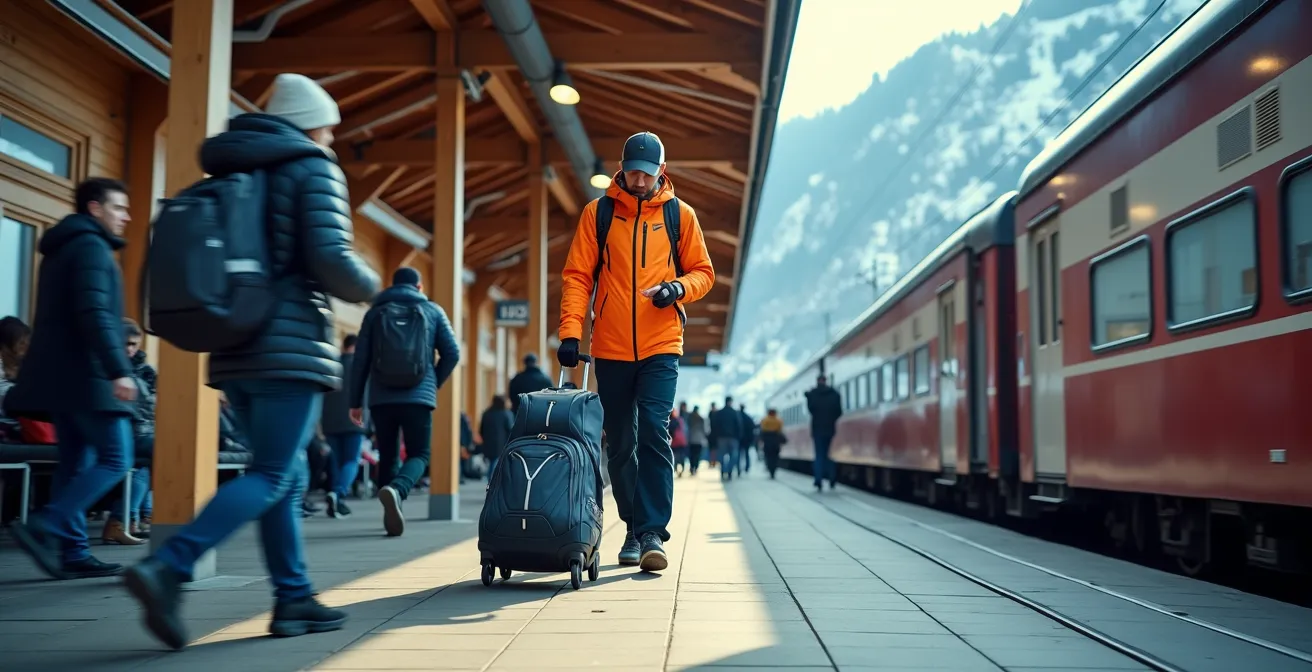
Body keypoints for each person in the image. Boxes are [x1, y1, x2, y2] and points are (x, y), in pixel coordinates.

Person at [123, 72, 381, 649]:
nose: (333, 137)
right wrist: (372, 286)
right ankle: (170, 566)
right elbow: (331, 258)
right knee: (270, 473)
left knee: (282, 477)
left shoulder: (234, 167)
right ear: (311, 122)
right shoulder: (311, 166)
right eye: (329, 126)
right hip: (287, 346)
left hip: (234, 344)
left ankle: (293, 599)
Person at [556, 131, 715, 572]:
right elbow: (577, 276)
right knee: (621, 442)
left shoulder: (681, 216)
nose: (639, 182)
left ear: (662, 171)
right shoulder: (599, 213)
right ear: (620, 169)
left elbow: (704, 272)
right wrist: (570, 332)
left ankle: (651, 533)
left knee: (654, 432)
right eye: (632, 173)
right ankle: (630, 525)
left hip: (662, 342)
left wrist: (677, 288)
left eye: (647, 174)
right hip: (610, 345)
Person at [5, 177, 137, 581]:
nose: (126, 216)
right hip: (88, 376)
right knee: (118, 458)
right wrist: (119, 369)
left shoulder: (62, 250)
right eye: (118, 207)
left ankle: (73, 552)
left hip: (61, 377)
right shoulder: (91, 248)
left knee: (76, 463)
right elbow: (95, 314)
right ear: (94, 208)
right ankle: (47, 524)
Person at [349, 266, 460, 537]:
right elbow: (452, 352)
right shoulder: (433, 311)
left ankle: (390, 508)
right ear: (419, 287)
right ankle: (397, 491)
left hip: (381, 398)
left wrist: (355, 401)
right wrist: (433, 382)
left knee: (387, 455)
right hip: (418, 396)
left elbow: (360, 360)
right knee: (419, 454)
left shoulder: (375, 313)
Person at [103, 319, 156, 546]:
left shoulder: (144, 370)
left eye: (134, 344)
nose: (130, 349)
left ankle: (129, 519)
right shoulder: (115, 370)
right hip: (129, 430)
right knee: (163, 452)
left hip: (144, 429)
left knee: (144, 465)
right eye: (126, 343)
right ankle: (128, 518)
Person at [321, 334, 368, 519]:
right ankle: (338, 493)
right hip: (354, 420)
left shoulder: (332, 364)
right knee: (352, 460)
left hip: (330, 422)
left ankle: (337, 503)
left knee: (337, 462)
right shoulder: (362, 366)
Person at [805, 374, 843, 492]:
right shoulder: (834, 394)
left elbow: (811, 410)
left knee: (819, 455)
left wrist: (808, 397)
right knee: (826, 454)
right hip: (830, 428)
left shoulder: (813, 394)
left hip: (817, 428)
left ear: (817, 381)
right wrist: (831, 420)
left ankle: (818, 480)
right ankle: (831, 477)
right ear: (826, 381)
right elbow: (839, 412)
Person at [0, 316, 32, 443]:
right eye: (21, 343)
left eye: (27, 342)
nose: (26, 347)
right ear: (4, 347)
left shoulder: (26, 366)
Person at [478, 395, 514, 480]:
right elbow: (510, 429)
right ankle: (492, 482)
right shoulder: (506, 414)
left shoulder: (486, 413)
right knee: (496, 462)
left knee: (492, 462)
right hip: (501, 443)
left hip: (488, 442)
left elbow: (481, 429)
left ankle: (491, 480)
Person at [709, 397, 742, 481]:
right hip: (733, 438)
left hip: (721, 438)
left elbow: (715, 426)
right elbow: (739, 426)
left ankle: (723, 471)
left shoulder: (719, 413)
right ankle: (730, 471)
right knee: (733, 456)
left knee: (721, 456)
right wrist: (739, 437)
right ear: (731, 402)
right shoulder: (735, 413)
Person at [759, 408, 787, 479]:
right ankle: (773, 471)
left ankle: (770, 469)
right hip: (776, 442)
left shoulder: (765, 420)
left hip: (767, 442)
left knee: (768, 457)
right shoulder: (778, 420)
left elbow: (762, 430)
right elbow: (780, 430)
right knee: (775, 458)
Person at [684, 404, 706, 476]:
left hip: (690, 439)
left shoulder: (689, 418)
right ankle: (695, 468)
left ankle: (691, 467)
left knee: (691, 455)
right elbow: (704, 430)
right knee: (697, 455)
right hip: (699, 440)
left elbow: (686, 428)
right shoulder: (701, 419)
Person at [670, 405, 689, 477]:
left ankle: (676, 469)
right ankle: (682, 469)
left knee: (675, 457)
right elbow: (685, 430)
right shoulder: (680, 420)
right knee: (682, 456)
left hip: (674, 442)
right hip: (682, 441)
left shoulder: (670, 421)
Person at [737, 403, 755, 476]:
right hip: (747, 439)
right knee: (747, 454)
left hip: (738, 439)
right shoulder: (748, 417)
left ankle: (738, 468)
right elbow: (752, 428)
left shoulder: (737, 416)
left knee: (738, 454)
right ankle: (747, 468)